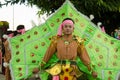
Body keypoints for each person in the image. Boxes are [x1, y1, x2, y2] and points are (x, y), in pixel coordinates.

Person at [33, 18, 97, 80]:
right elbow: (48, 55)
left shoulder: (78, 41)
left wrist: (92, 70)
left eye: (70, 26)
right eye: (65, 26)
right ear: (62, 28)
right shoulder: (56, 41)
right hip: (59, 70)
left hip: (72, 70)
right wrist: (39, 67)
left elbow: (84, 57)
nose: (68, 28)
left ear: (73, 29)